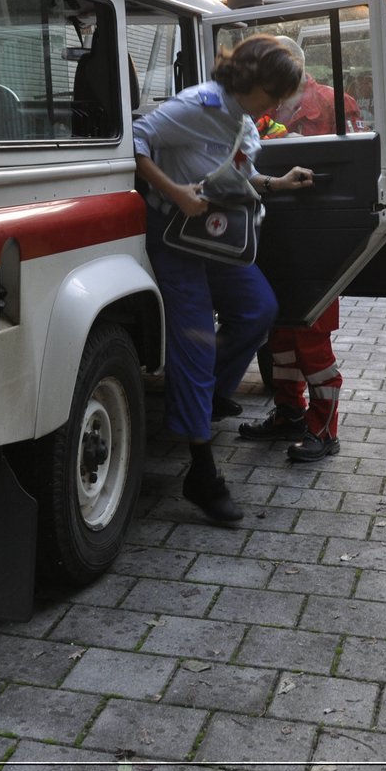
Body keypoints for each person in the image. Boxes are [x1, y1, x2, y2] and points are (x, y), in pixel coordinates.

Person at [133, 33, 315, 524]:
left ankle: (203, 398)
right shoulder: (198, 104)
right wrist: (176, 191)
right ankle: (201, 470)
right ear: (251, 82)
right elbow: (136, 141)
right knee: (194, 339)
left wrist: (276, 182)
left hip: (212, 234)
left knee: (259, 309)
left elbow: (236, 171)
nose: (276, 105)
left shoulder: (241, 119)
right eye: (273, 95)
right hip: (175, 233)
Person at [239, 40, 347, 463]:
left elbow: (347, 164)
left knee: (311, 340)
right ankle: (290, 412)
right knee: (280, 335)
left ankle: (325, 428)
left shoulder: (334, 103)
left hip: (313, 240)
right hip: (270, 235)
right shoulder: (259, 107)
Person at [273, 36, 361, 135]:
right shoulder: (263, 105)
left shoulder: (336, 102)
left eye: (272, 66)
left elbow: (356, 149)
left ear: (296, 64)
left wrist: (304, 148)